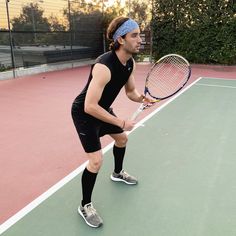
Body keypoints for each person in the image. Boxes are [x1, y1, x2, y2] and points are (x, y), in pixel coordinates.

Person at [71, 16, 153, 228]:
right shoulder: (103, 66)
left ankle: (117, 173)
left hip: (103, 110)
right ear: (121, 39)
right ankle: (85, 205)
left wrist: (143, 98)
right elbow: (89, 106)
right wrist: (120, 121)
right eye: (134, 35)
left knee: (122, 139)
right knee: (96, 161)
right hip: (84, 113)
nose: (139, 39)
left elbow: (131, 92)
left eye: (139, 35)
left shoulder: (129, 63)